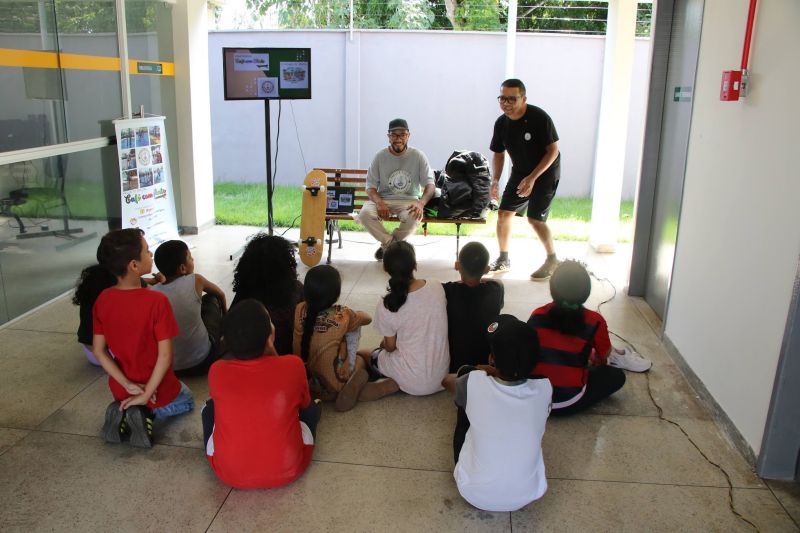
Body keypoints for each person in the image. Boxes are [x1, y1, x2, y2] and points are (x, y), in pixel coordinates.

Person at [203, 299, 321, 489]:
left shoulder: (217, 371)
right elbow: (304, 405)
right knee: (311, 410)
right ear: (270, 336)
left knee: (209, 409)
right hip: (289, 468)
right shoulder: (293, 365)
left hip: (229, 474)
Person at [93, 228, 194, 448]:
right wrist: (146, 393)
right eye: (147, 251)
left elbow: (99, 351)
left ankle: (126, 409)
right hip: (158, 389)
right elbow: (165, 356)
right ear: (134, 265)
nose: (151, 255)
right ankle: (144, 412)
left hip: (122, 389)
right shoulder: (156, 301)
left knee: (133, 398)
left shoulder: (103, 299)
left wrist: (128, 385)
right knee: (187, 400)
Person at [443, 314, 552, 512]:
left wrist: (481, 371)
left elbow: (447, 381)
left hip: (472, 492)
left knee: (465, 396)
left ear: (492, 358)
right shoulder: (545, 388)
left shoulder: (473, 382)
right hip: (526, 495)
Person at [528, 260, 652, 416]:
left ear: (552, 289)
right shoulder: (595, 321)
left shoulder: (537, 314)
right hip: (568, 403)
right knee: (616, 376)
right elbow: (604, 355)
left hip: (534, 399)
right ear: (586, 291)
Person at [489, 78, 561, 281]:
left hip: (545, 171)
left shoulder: (539, 117)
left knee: (535, 218)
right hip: (520, 172)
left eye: (512, 99)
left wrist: (532, 178)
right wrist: (495, 181)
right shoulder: (501, 123)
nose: (506, 103)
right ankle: (504, 258)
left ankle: (552, 259)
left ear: (524, 98)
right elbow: (499, 154)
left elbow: (553, 151)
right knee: (503, 214)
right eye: (502, 98)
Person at [359, 241, 449, 397]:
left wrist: (384, 344)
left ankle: (377, 380)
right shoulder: (436, 286)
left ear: (385, 269)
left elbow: (390, 347)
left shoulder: (387, 304)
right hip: (441, 377)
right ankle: (393, 382)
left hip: (412, 377)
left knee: (364, 354)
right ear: (415, 264)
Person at [292, 265, 376, 412]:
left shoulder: (299, 309)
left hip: (310, 383)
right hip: (337, 381)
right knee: (360, 357)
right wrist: (357, 314)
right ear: (336, 295)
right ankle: (351, 384)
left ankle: (335, 390)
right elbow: (367, 318)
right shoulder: (343, 314)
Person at [358, 118, 436, 260]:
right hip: (383, 199)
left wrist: (421, 203)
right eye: (394, 135)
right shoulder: (379, 157)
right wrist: (379, 202)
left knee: (415, 216)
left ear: (408, 136)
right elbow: (370, 187)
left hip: (409, 200)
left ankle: (387, 247)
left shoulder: (418, 156)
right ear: (388, 137)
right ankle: (392, 246)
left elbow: (430, 185)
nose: (398, 138)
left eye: (402, 134)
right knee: (364, 214)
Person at [152, 240, 227, 377]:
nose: (193, 259)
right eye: (190, 257)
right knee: (211, 299)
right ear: (182, 268)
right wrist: (226, 315)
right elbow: (220, 294)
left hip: (170, 367)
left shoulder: (153, 293)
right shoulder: (196, 280)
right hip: (203, 361)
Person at [73, 262, 163, 366]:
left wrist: (152, 280)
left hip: (91, 353)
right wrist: (163, 282)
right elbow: (155, 295)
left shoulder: (92, 289)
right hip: (113, 356)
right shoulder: (119, 292)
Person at [230, 233, 303, 355]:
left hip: (248, 356)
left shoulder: (245, 292)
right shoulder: (296, 290)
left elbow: (231, 323)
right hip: (286, 353)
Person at [442, 241, 504, 372]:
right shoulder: (496, 290)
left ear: (457, 266)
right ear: (487, 270)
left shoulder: (447, 291)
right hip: (485, 361)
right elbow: (497, 281)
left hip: (454, 364)